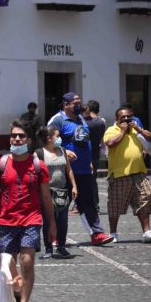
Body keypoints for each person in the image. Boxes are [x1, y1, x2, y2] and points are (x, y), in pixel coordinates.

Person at [0, 120, 57, 302]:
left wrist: (52, 223)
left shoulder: (38, 166)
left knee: (27, 261)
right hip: (6, 222)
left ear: (29, 140)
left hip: (31, 220)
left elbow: (45, 197)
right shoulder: (1, 164)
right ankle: (14, 296)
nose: (17, 139)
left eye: (21, 136)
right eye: (14, 136)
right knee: (7, 265)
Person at [49, 92, 113, 246]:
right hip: (65, 171)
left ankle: (97, 234)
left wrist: (89, 161)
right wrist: (64, 151)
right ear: (66, 104)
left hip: (84, 169)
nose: (79, 104)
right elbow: (49, 141)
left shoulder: (81, 119)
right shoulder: (57, 120)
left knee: (88, 203)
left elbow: (84, 140)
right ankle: (55, 236)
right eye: (75, 102)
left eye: (79, 101)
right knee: (61, 204)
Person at [103, 107, 151, 243]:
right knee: (115, 205)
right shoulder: (111, 130)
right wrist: (122, 131)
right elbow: (111, 143)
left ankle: (147, 231)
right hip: (120, 174)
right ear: (117, 119)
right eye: (123, 117)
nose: (126, 119)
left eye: (129, 117)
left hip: (139, 173)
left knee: (145, 198)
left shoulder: (136, 130)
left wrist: (139, 130)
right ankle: (113, 233)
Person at [35, 126, 77, 259]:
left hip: (62, 191)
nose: (59, 138)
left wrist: (74, 186)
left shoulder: (62, 150)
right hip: (46, 192)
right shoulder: (39, 153)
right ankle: (48, 248)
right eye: (57, 136)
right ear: (49, 138)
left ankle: (61, 246)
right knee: (48, 220)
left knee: (63, 220)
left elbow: (68, 169)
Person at [84, 100, 107, 213]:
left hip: (85, 154)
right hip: (95, 153)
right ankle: (95, 204)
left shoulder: (86, 122)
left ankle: (85, 204)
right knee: (93, 180)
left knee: (83, 180)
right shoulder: (101, 122)